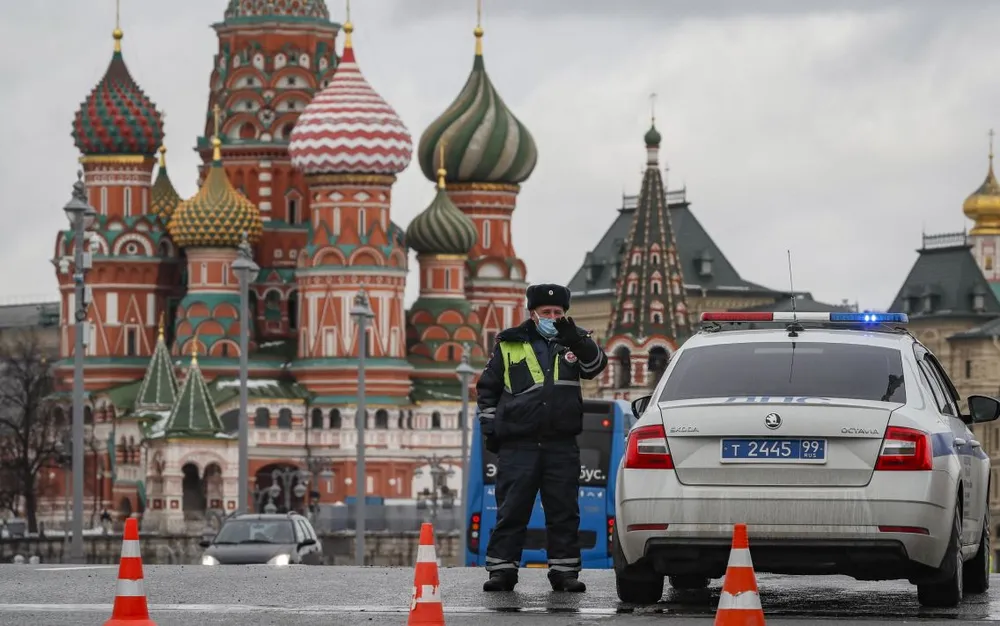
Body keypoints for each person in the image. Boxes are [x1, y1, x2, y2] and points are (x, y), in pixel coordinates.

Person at [476, 283, 609, 592]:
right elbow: (487, 390)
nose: (552, 316)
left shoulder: (575, 342)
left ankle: (564, 573)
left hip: (560, 444)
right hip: (518, 445)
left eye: (558, 312)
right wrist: (491, 431)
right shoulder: (509, 343)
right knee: (511, 510)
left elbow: (595, 366)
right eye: (546, 312)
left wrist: (575, 337)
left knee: (564, 511)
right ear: (533, 313)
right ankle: (501, 571)